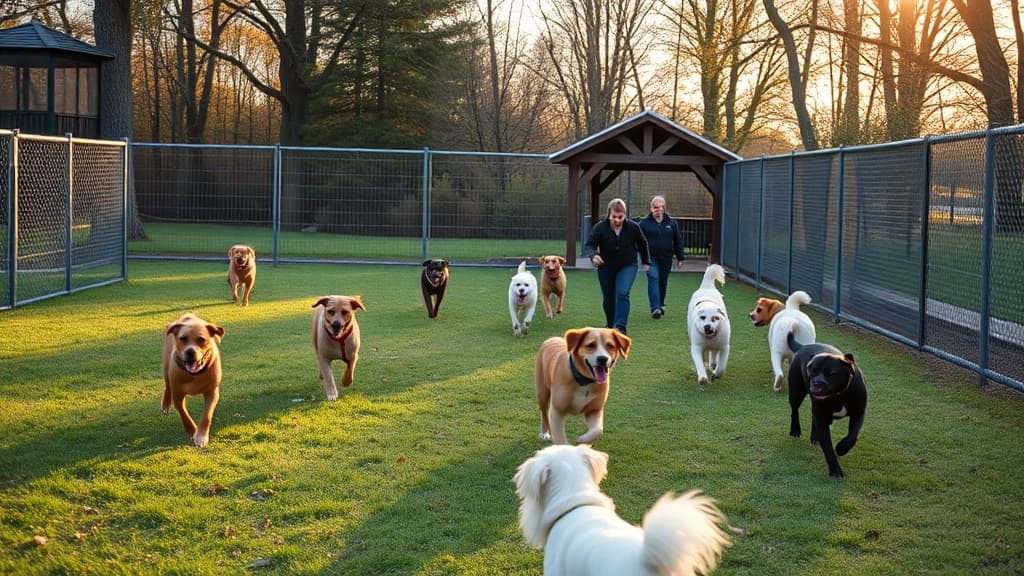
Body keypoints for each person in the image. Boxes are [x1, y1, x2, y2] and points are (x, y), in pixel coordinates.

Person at [583, 198, 650, 335]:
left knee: (622, 292)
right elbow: (589, 244)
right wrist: (594, 255)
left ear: (625, 215)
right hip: (606, 266)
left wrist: (645, 261)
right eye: (614, 217)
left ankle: (620, 328)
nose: (617, 220)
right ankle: (610, 324)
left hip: (628, 265)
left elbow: (643, 243)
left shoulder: (633, 227)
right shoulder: (600, 227)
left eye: (620, 217)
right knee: (608, 297)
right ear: (609, 214)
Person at [639, 195, 686, 319]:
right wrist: (643, 258)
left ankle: (660, 304)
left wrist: (680, 258)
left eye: (658, 208)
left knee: (662, 281)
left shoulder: (672, 223)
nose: (656, 210)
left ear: (663, 208)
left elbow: (677, 241)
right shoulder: (644, 223)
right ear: (651, 208)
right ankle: (655, 308)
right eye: (654, 208)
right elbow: (638, 241)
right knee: (653, 278)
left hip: (666, 257)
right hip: (651, 258)